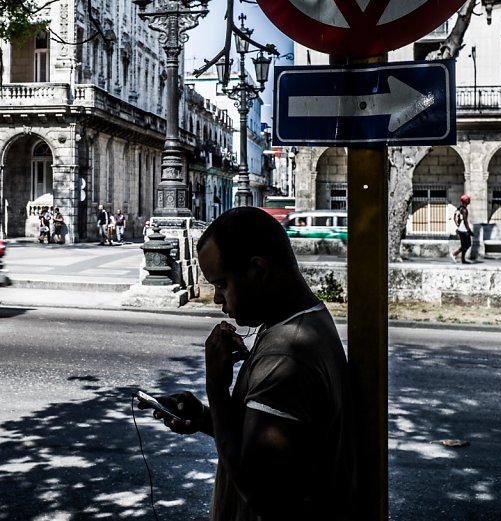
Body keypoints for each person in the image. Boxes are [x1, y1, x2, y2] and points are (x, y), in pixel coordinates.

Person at [139, 207, 355, 521]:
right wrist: (203, 417)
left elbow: (259, 489)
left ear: (257, 270)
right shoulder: (301, 321)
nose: (217, 299)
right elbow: (268, 446)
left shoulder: (286, 357)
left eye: (222, 284)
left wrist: (216, 384)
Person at [452, 194, 474, 264]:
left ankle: (463, 260)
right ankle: (454, 254)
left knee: (464, 245)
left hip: (460, 229)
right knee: (468, 244)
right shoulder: (464, 210)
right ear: (466, 200)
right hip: (464, 230)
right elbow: (465, 221)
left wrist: (458, 226)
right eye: (468, 199)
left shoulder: (459, 208)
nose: (469, 200)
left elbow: (455, 217)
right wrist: (469, 230)